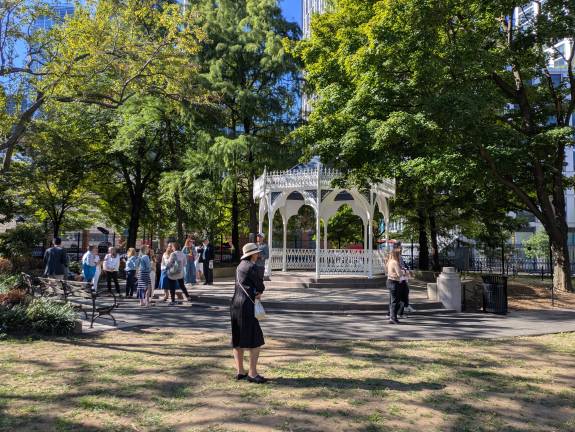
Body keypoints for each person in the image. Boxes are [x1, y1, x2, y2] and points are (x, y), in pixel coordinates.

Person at [230, 243, 267, 384]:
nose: (258, 255)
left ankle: (240, 371)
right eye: (257, 253)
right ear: (252, 254)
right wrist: (258, 292)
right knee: (255, 339)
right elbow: (260, 286)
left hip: (235, 305)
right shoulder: (252, 267)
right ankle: (252, 373)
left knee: (237, 338)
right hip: (247, 305)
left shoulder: (239, 266)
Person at [395, 242, 416, 315]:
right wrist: (404, 270)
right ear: (397, 247)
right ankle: (393, 313)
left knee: (405, 291)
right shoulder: (395, 256)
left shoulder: (399, 256)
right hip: (399, 278)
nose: (401, 249)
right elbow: (398, 266)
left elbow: (402, 265)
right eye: (400, 247)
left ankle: (406, 306)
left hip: (403, 277)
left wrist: (406, 269)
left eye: (401, 247)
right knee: (400, 295)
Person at [386, 248, 405, 324]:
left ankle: (391, 317)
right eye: (399, 254)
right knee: (395, 301)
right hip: (394, 282)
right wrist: (404, 272)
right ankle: (393, 318)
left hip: (389, 281)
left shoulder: (389, 262)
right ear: (397, 255)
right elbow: (399, 274)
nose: (400, 255)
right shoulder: (395, 262)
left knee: (391, 301)